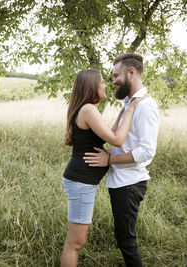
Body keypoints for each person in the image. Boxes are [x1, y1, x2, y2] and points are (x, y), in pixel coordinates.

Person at [61, 69, 147, 267]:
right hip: (80, 182)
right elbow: (117, 140)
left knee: (76, 241)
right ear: (92, 86)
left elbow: (111, 132)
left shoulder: (87, 109)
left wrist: (124, 109)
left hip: (81, 182)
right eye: (101, 82)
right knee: (75, 243)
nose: (106, 85)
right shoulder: (88, 110)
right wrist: (132, 109)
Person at [83, 53, 160, 267]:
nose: (113, 80)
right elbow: (118, 136)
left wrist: (110, 160)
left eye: (116, 75)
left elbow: (146, 152)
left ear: (131, 72)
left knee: (126, 239)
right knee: (122, 235)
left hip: (130, 182)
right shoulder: (129, 102)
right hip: (121, 181)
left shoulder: (145, 106)